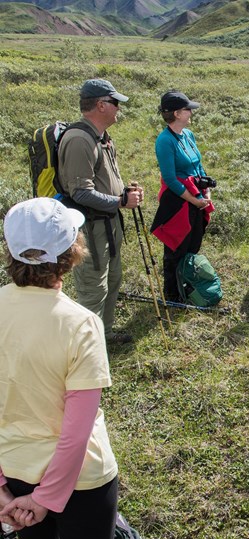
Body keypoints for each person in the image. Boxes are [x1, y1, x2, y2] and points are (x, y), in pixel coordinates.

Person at [0, 198, 119, 539]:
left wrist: (5, 491)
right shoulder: (81, 323)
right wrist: (50, 498)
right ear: (71, 252)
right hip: (83, 482)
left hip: (16, 476)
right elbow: (77, 429)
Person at [58, 78, 143, 345]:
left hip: (108, 223)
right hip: (90, 229)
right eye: (115, 102)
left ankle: (102, 336)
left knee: (113, 280)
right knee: (93, 289)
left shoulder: (102, 138)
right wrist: (120, 201)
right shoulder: (79, 140)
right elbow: (80, 193)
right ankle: (86, 352)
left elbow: (104, 181)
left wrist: (125, 193)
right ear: (100, 105)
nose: (119, 108)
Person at [150, 90, 214, 302]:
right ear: (177, 113)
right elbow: (169, 178)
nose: (191, 112)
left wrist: (206, 190)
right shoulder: (164, 141)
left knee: (194, 243)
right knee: (176, 247)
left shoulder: (188, 135)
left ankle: (187, 284)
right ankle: (172, 293)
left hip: (196, 195)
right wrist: (194, 200)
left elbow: (198, 165)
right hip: (178, 201)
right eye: (188, 109)